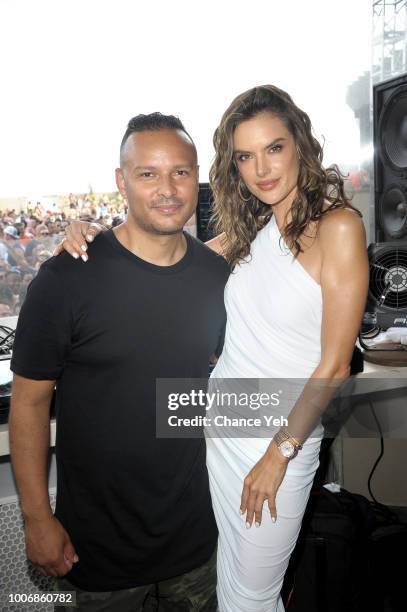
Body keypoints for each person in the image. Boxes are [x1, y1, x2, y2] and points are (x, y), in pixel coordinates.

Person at [56, 85, 369, 611]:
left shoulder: (338, 227)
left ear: (300, 145)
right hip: (217, 431)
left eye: (274, 148)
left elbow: (335, 365)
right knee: (225, 591)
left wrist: (278, 456)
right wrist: (90, 235)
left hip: (276, 443)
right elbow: (162, 251)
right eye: (245, 156)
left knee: (250, 598)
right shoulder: (253, 233)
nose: (261, 168)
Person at [9, 113, 229, 612]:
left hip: (198, 544)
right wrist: (38, 520)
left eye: (181, 171)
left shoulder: (216, 276)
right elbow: (28, 403)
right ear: (121, 181)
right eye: (148, 173)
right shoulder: (68, 277)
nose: (168, 189)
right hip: (98, 552)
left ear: (198, 177)